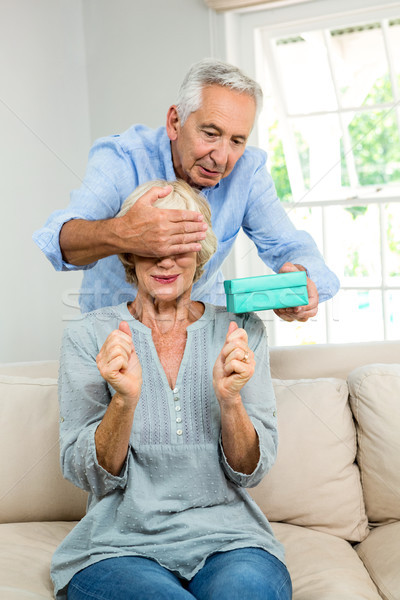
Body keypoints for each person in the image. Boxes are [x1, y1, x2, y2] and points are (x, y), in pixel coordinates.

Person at [51, 179, 292, 600]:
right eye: (151, 246)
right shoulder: (88, 337)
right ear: (129, 251)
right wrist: (123, 401)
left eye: (179, 246)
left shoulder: (241, 331)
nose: (165, 262)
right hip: (118, 547)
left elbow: (251, 470)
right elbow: (84, 472)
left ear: (200, 252)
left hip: (231, 542)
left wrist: (230, 400)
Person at [33, 58, 339, 321]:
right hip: (114, 337)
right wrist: (125, 233)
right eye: (210, 133)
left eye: (237, 140)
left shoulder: (248, 170)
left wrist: (303, 283)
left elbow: (291, 248)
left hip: (198, 338)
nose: (221, 157)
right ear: (175, 122)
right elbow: (57, 243)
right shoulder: (123, 158)